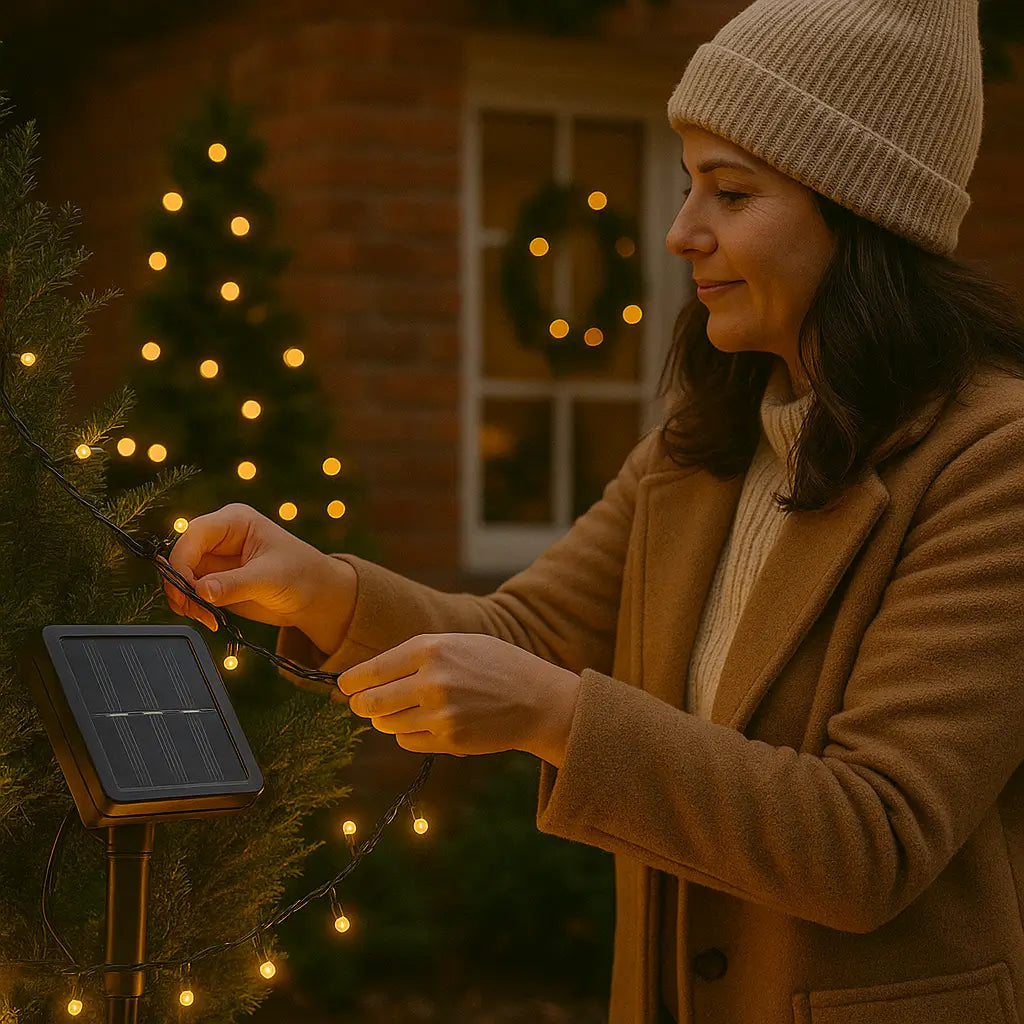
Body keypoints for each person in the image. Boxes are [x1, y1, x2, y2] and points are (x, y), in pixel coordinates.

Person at [164, 0, 1024, 1021]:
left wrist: (560, 715)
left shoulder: (990, 462)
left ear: (863, 214)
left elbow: (870, 838)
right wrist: (323, 589)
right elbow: (524, 631)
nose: (679, 232)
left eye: (730, 191)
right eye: (685, 183)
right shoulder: (701, 447)